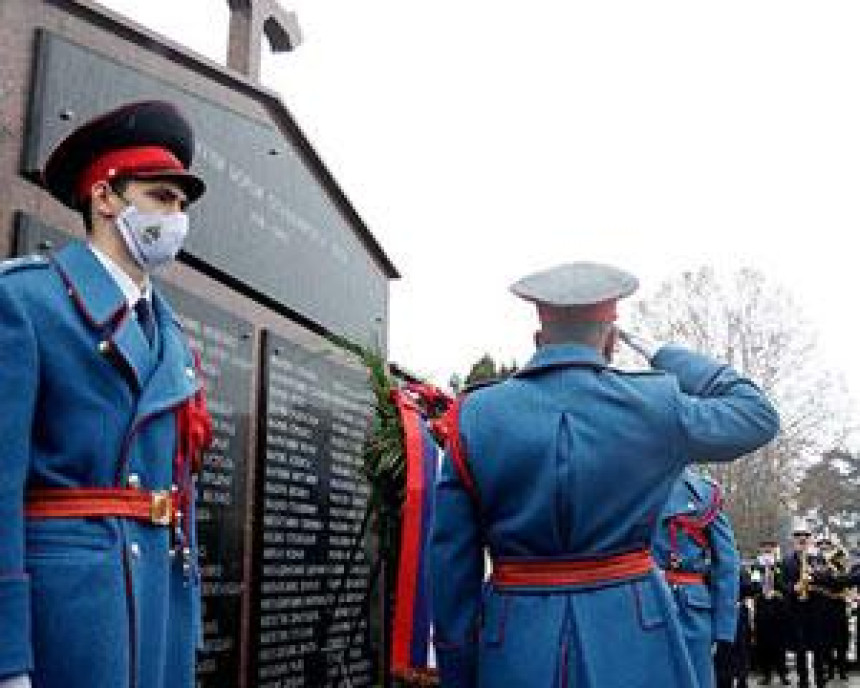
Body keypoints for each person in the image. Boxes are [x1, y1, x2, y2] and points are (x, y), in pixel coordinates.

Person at [429, 261, 780, 688]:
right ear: (611, 341)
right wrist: (662, 353)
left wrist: (459, 670)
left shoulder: (474, 416)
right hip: (634, 635)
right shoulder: (655, 405)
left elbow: (450, 565)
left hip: (514, 641)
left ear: (539, 338)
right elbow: (757, 414)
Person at [0, 100, 212, 688]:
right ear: (105, 197)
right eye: (161, 197)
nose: (176, 217)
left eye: (182, 204)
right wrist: (7, 654)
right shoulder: (26, 301)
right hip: (70, 609)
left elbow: (178, 490)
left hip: (155, 600)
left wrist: (186, 621)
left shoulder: (169, 333)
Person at [652, 468, 740, 688]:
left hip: (688, 610)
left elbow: (726, 565)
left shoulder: (704, 493)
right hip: (638, 603)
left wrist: (723, 630)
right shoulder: (626, 486)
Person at [780, 521, 829, 688]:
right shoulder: (786, 560)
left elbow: (827, 579)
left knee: (819, 647)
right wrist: (793, 587)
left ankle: (820, 680)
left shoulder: (818, 559)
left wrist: (814, 576)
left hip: (816, 609)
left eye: (805, 536)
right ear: (794, 539)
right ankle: (803, 681)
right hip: (796, 610)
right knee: (800, 648)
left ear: (810, 539)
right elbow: (781, 583)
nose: (802, 538)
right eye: (798, 536)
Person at [750, 540, 790, 685]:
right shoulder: (756, 566)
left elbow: (785, 585)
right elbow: (753, 585)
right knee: (763, 643)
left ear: (774, 549)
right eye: (765, 546)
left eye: (771, 547)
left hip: (778, 607)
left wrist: (777, 589)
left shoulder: (780, 564)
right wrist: (762, 589)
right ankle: (766, 674)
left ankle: (782, 673)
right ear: (761, 549)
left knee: (780, 643)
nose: (768, 549)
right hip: (762, 607)